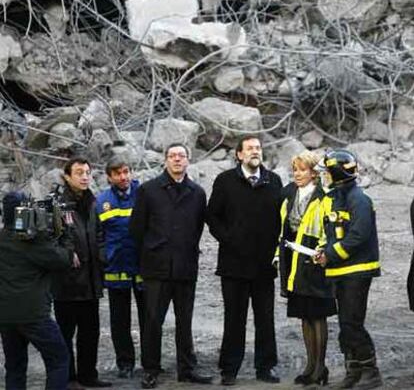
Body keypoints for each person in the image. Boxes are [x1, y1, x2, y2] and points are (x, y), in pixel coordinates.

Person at [129, 143, 212, 389]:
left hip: (186, 266)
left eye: (181, 156)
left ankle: (186, 369)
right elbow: (137, 229)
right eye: (172, 155)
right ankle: (151, 369)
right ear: (165, 160)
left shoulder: (197, 192)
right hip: (157, 267)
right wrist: (153, 251)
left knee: (184, 321)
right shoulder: (148, 190)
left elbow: (197, 228)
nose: (177, 160)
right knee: (153, 320)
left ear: (188, 160)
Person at [207, 135, 283, 386]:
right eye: (249, 148)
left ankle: (266, 367)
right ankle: (229, 369)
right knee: (234, 319)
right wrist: (228, 239)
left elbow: (280, 221)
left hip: (264, 266)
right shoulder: (225, 181)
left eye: (258, 148)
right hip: (233, 265)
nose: (255, 152)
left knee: (265, 319)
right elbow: (212, 217)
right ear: (238, 154)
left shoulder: (274, 181)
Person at [314, 149, 382, 390]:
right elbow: (332, 234)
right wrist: (322, 252)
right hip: (341, 272)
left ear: (337, 173)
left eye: (326, 172)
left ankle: (370, 372)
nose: (323, 177)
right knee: (345, 325)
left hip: (357, 271)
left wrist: (330, 255)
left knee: (352, 323)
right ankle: (353, 371)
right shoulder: (336, 198)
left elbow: (358, 236)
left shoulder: (359, 199)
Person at [0, 191, 72, 390]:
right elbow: (63, 260)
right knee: (59, 360)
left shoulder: (3, 238)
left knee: (14, 367)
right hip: (34, 316)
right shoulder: (33, 242)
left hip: (5, 316)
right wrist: (65, 233)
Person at [276, 150, 336, 386]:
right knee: (304, 314)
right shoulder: (289, 193)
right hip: (294, 261)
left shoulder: (324, 196)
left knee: (317, 314)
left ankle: (320, 368)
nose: (297, 174)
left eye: (302, 170)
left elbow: (328, 229)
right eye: (295, 170)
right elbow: (283, 227)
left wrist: (323, 253)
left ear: (313, 173)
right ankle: (310, 366)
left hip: (315, 260)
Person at [53, 157, 112, 390]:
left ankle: (88, 375)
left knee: (90, 332)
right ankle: (68, 377)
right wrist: (67, 254)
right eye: (79, 172)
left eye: (87, 172)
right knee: (65, 334)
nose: (85, 176)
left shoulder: (93, 203)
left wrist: (103, 256)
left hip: (90, 280)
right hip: (66, 283)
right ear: (67, 176)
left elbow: (99, 235)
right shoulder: (57, 205)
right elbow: (50, 239)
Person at [96, 156, 145, 379]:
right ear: (109, 177)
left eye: (126, 171)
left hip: (143, 266)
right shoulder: (102, 201)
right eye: (117, 173)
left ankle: (150, 362)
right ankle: (125, 363)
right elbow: (98, 234)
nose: (123, 177)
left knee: (149, 318)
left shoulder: (144, 195)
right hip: (116, 267)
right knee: (119, 321)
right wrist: (105, 255)